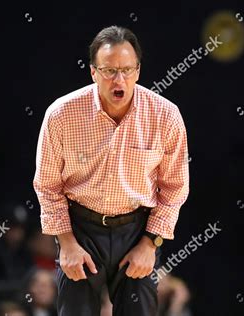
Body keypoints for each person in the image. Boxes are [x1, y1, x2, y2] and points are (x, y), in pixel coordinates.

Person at [33, 25, 189, 315]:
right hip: (80, 227)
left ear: (138, 71)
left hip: (137, 228)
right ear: (93, 72)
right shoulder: (61, 114)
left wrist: (150, 244)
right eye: (109, 71)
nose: (119, 79)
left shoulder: (166, 115)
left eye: (127, 70)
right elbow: (47, 185)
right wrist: (66, 243)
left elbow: (175, 187)